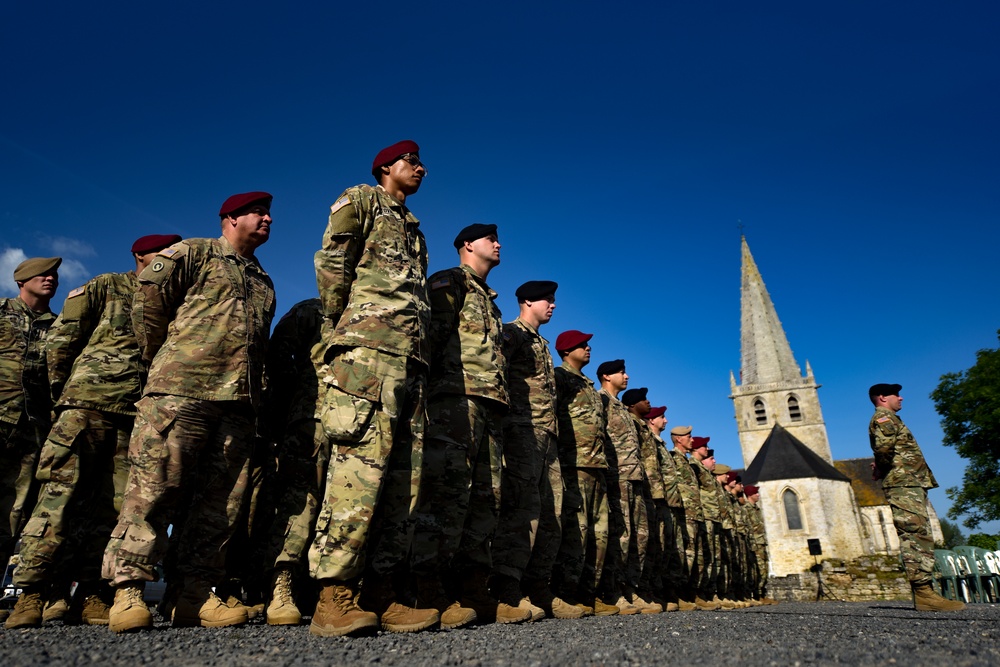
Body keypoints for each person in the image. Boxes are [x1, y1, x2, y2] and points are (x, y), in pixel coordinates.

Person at [102, 192, 276, 632]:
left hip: (237, 403)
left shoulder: (262, 280)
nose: (268, 219)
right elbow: (149, 302)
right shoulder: (192, 252)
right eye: (258, 212)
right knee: (154, 490)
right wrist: (167, 357)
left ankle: (193, 594)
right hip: (182, 390)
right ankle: (128, 592)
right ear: (230, 218)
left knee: (221, 506)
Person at [4, 235, 180, 630]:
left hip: (135, 416)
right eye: (162, 254)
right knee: (58, 501)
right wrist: (66, 394)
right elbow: (63, 340)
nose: (170, 260)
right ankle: (31, 593)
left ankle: (91, 594)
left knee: (114, 511)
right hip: (85, 406)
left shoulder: (172, 301)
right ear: (139, 256)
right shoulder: (107, 285)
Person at [308, 141, 438, 637]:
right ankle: (332, 597)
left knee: (403, 481)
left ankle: (383, 592)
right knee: (356, 477)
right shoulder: (361, 199)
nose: (421, 168)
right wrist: (339, 329)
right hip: (366, 353)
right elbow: (333, 264)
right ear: (386, 167)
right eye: (411, 162)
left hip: (410, 362)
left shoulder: (414, 232)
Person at [410, 224, 529, 628]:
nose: (498, 243)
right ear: (467, 246)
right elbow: (433, 338)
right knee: (446, 496)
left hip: (490, 407)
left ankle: (475, 589)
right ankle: (430, 590)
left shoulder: (490, 302)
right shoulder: (450, 282)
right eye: (489, 239)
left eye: (499, 238)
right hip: (454, 402)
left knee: (483, 503)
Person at [490, 280, 575, 620]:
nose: (552, 305)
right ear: (527, 301)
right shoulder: (512, 334)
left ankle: (539, 586)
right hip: (521, 431)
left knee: (551, 514)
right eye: (547, 300)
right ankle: (506, 589)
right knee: (521, 510)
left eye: (554, 299)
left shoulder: (541, 343)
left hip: (547, 437)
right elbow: (495, 373)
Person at [258, 297, 325, 626]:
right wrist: (289, 403)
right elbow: (279, 354)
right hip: (311, 417)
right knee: (299, 501)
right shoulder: (313, 309)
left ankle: (330, 590)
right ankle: (280, 585)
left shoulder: (377, 310)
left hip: (362, 422)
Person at [0, 256, 61, 616]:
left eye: (54, 274)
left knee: (13, 514)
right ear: (22, 279)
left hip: (32, 429)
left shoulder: (60, 325)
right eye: (43, 274)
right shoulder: (2, 313)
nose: (50, 279)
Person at [868, 383, 964, 612]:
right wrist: (881, 469)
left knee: (920, 534)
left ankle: (927, 592)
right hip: (904, 485)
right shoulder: (884, 419)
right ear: (882, 397)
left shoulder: (891, 419)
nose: (901, 398)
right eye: (896, 395)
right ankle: (924, 594)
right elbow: (883, 449)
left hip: (909, 483)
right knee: (914, 535)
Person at [551, 330, 617, 617]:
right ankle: (566, 592)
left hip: (596, 466)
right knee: (575, 530)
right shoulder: (560, 377)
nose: (588, 348)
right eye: (582, 344)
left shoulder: (589, 387)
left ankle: (589, 593)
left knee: (598, 534)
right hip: (574, 464)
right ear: (566, 350)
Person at [595, 359, 642, 615]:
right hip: (616, 476)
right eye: (621, 372)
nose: (626, 376)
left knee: (633, 539)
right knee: (618, 536)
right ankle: (612, 592)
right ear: (606, 376)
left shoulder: (621, 408)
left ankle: (628, 590)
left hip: (632, 476)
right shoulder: (600, 400)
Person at [620, 387, 662, 613]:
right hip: (626, 479)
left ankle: (639, 589)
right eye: (644, 400)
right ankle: (619, 590)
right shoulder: (622, 416)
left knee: (645, 540)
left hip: (645, 486)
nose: (649, 403)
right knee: (627, 536)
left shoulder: (641, 427)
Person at [668, 425, 719, 610]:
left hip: (695, 513)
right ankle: (680, 594)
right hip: (685, 513)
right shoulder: (674, 459)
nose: (692, 439)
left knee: (697, 556)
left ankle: (693, 594)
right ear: (679, 439)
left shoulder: (687, 463)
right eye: (689, 436)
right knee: (685, 555)